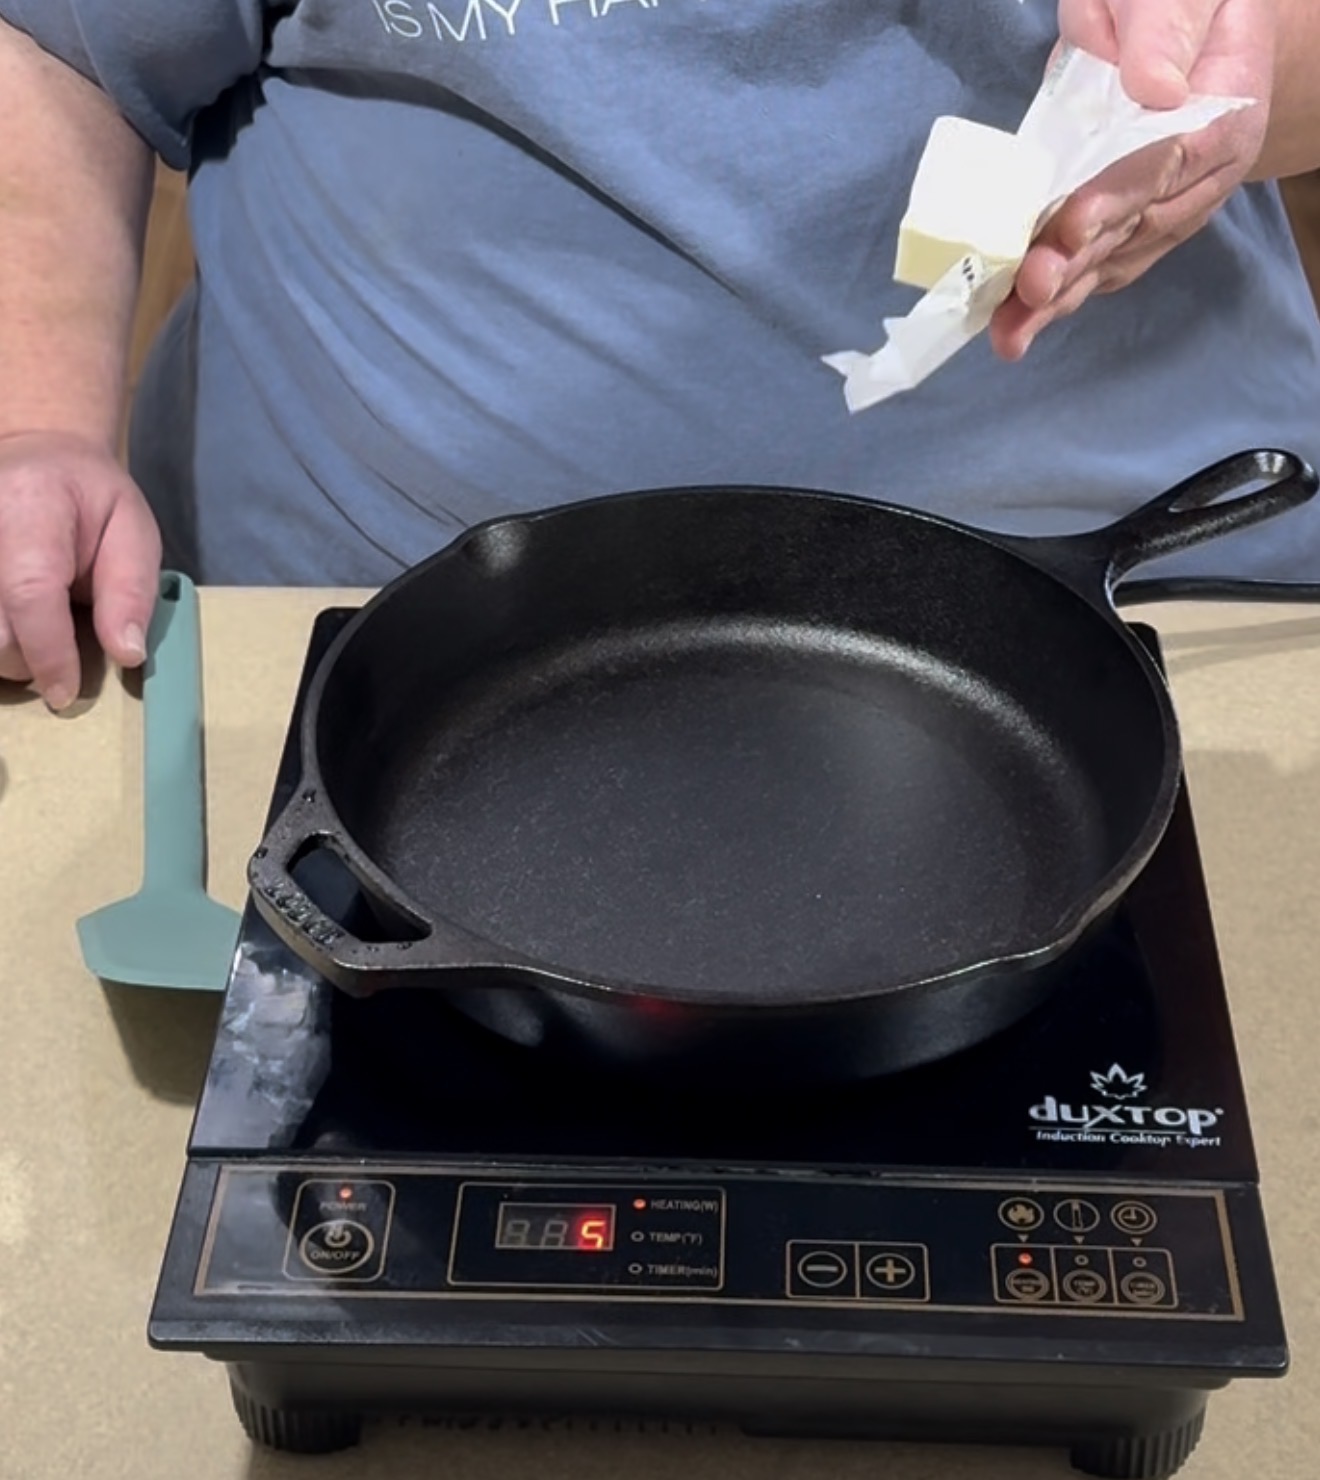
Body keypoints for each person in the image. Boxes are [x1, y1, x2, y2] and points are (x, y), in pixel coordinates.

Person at [0, 0, 1317, 711]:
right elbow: (58, 52)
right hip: (364, 661)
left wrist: (1233, 68)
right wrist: (34, 420)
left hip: (1151, 613)